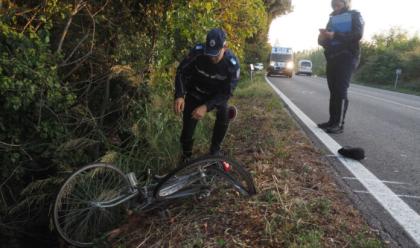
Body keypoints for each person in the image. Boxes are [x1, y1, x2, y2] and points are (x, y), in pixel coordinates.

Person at [174, 28, 240, 161]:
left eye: (216, 54)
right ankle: (186, 156)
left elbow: (226, 93)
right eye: (210, 54)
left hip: (215, 97)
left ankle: (214, 151)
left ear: (224, 47)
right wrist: (180, 95)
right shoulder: (198, 52)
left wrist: (206, 107)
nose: (212, 58)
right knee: (187, 129)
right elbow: (181, 72)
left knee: (225, 111)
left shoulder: (232, 65)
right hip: (195, 92)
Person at [317, 0, 364, 134]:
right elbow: (324, 41)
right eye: (333, 4)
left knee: (340, 90)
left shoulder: (355, 15)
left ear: (346, 4)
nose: (335, 6)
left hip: (347, 56)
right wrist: (323, 37)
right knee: (333, 90)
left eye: (338, 4)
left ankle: (338, 124)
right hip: (332, 57)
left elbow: (358, 34)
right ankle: (332, 121)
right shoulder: (332, 19)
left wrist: (335, 35)